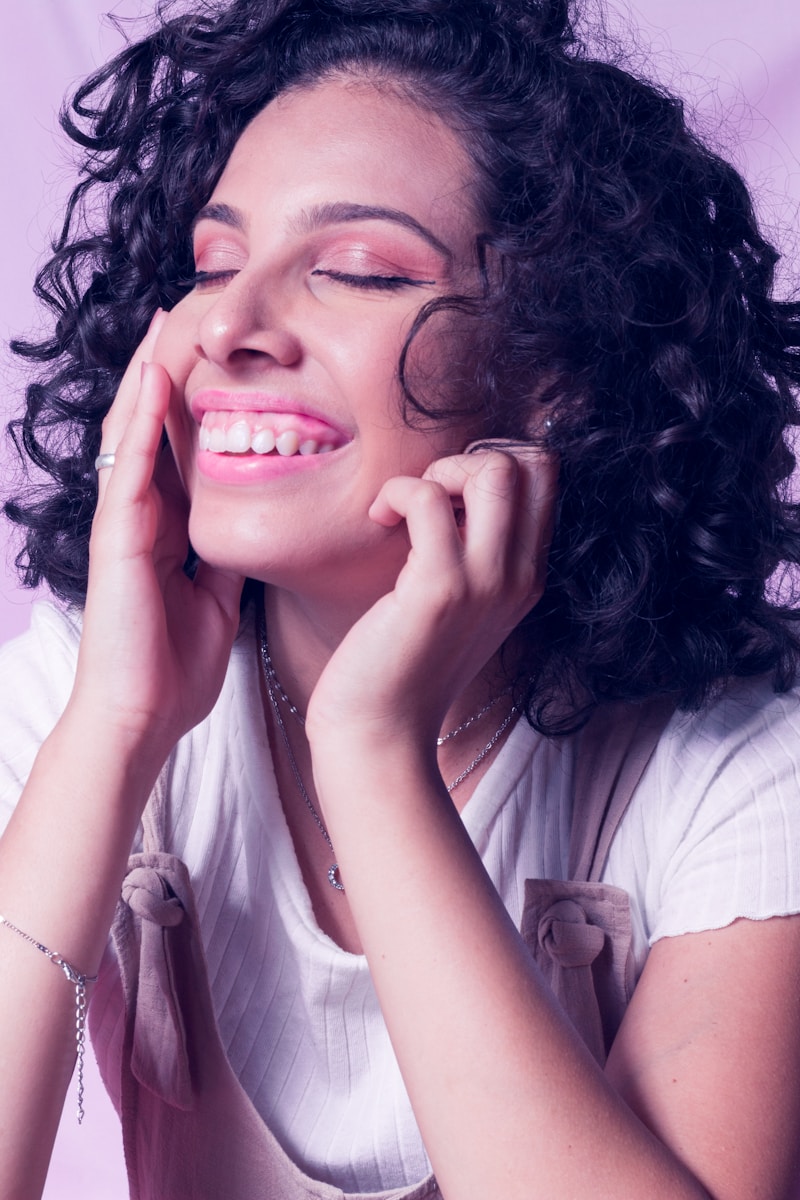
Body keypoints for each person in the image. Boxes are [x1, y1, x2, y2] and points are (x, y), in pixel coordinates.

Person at [2, 0, 800, 1196]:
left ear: (557, 375)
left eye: (356, 271)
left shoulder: (744, 767)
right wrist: (113, 731)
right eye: (213, 265)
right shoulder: (90, 680)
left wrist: (372, 756)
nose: (226, 324)